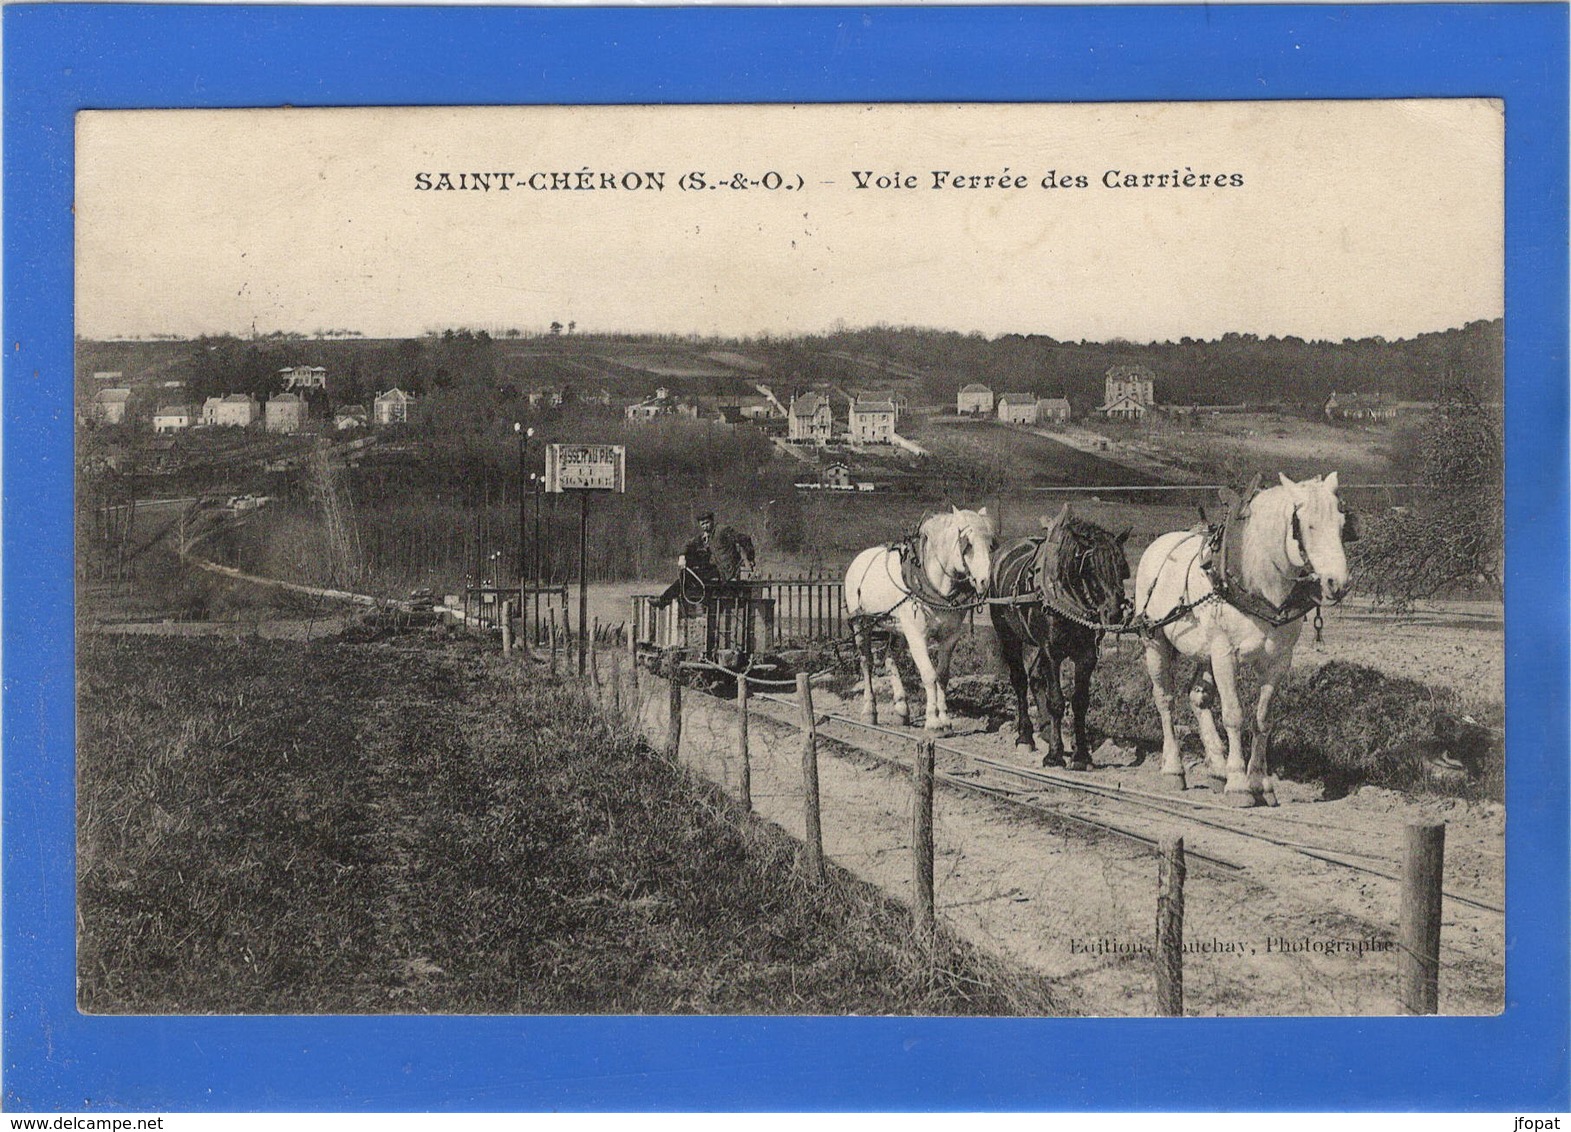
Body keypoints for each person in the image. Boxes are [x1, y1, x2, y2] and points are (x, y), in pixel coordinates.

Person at [655, 512, 753, 608]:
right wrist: (682, 556)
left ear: (712, 521)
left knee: (689, 578)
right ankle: (665, 601)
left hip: (726, 571)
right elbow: (688, 544)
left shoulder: (722, 530)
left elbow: (745, 538)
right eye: (702, 524)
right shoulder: (705, 536)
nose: (705, 526)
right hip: (715, 569)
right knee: (686, 575)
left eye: (707, 523)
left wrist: (750, 559)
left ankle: (664, 601)